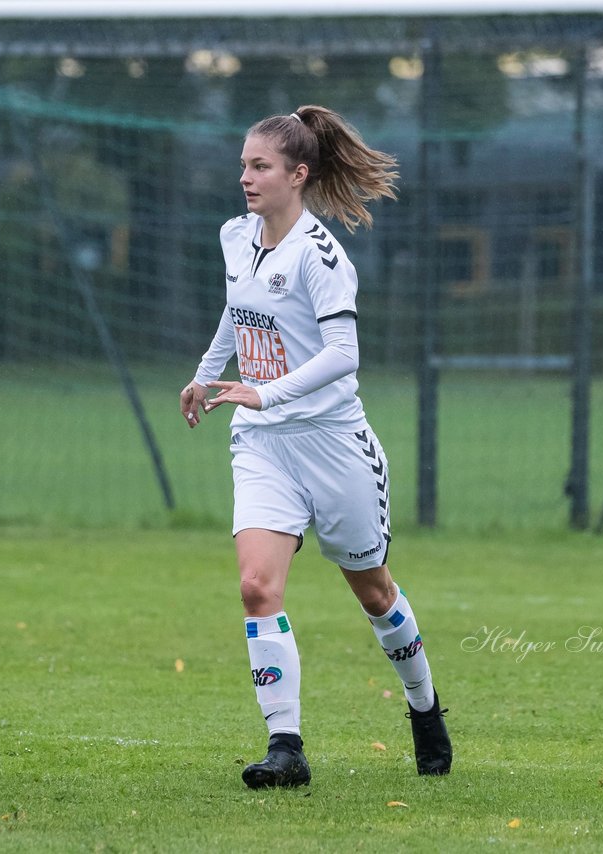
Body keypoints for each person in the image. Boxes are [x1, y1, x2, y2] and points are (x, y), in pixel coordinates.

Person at [179, 105, 452, 789]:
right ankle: (286, 748)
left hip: (333, 445)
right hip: (264, 444)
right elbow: (238, 311)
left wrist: (265, 391)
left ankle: (424, 708)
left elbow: (342, 355)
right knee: (256, 585)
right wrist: (210, 375)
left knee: (374, 591)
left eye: (260, 166)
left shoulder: (321, 254)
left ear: (297, 174)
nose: (245, 176)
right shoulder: (235, 237)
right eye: (243, 164)